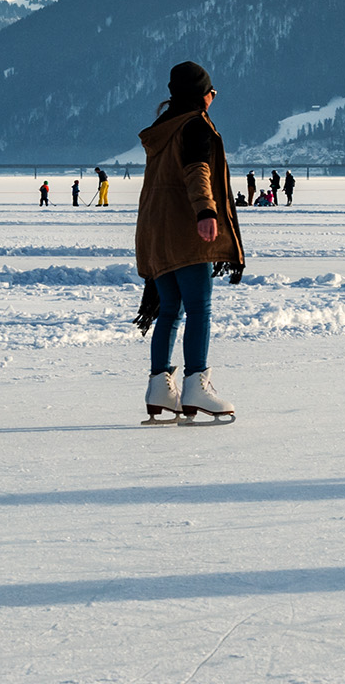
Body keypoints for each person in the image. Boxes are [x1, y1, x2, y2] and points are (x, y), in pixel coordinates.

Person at [135, 61, 244, 424]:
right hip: (185, 230)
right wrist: (206, 212)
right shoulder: (194, 124)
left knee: (170, 310)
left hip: (156, 232)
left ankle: (160, 388)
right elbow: (198, 170)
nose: (214, 98)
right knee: (199, 308)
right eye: (212, 92)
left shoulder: (162, 128)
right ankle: (196, 384)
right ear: (202, 95)